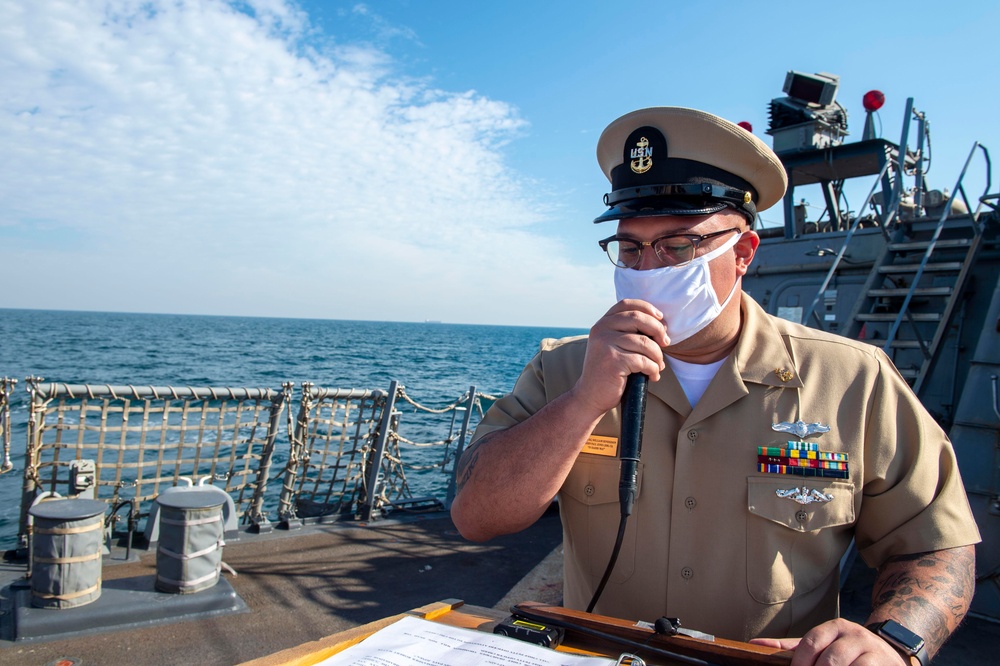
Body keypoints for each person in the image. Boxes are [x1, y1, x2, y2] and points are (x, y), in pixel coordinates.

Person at [450, 106, 981, 665]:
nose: (649, 268)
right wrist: (583, 402)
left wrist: (895, 641)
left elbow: (934, 541)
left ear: (744, 254)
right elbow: (477, 516)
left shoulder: (853, 379)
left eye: (678, 246)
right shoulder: (562, 370)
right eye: (630, 248)